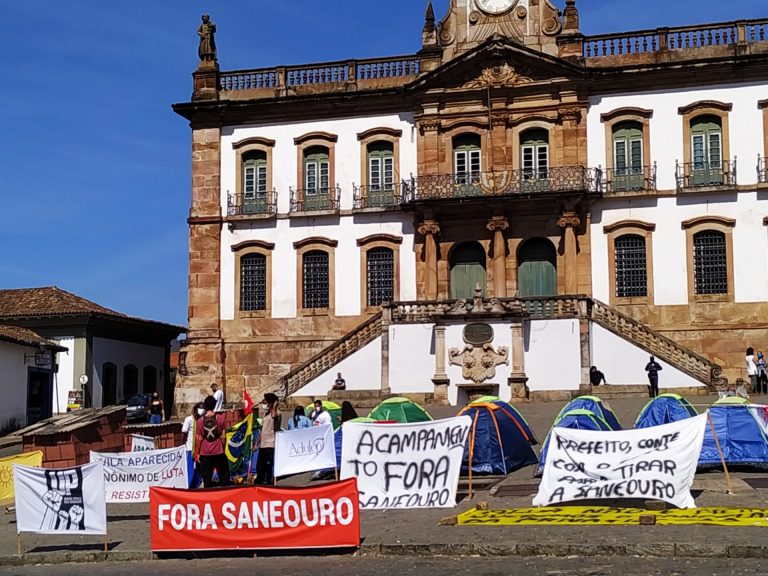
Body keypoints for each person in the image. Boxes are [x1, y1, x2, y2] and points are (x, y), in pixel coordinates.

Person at [196, 395, 230, 488]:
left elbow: (199, 438)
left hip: (205, 452)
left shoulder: (200, 421)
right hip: (218, 450)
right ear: (215, 405)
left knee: (207, 480)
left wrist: (198, 453)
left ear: (205, 406)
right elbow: (223, 436)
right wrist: (222, 448)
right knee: (224, 478)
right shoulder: (220, 418)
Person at [255, 393, 281, 485]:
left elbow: (274, 416)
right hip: (263, 443)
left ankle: (268, 480)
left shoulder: (277, 412)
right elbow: (263, 429)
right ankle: (260, 480)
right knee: (260, 465)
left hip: (271, 443)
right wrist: (257, 443)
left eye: (266, 401)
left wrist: (274, 405)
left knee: (269, 465)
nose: (264, 402)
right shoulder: (266, 414)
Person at [181, 402, 203, 488]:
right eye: (201, 408)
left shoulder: (201, 420)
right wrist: (183, 446)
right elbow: (184, 433)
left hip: (200, 449)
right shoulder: (189, 419)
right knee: (191, 470)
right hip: (191, 449)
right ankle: (190, 487)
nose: (202, 410)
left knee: (199, 471)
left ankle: (197, 486)